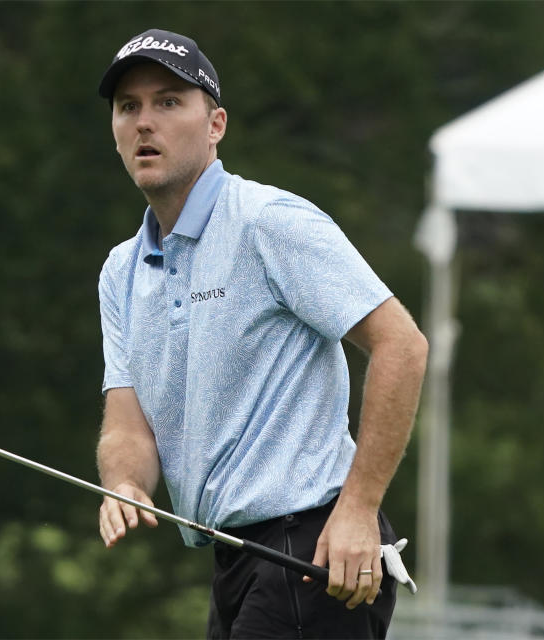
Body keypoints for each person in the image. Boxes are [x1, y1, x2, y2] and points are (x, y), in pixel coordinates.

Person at [94, 28, 428, 639]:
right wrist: (123, 482)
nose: (146, 122)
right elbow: (126, 424)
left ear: (215, 124)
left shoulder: (268, 223)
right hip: (236, 563)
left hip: (317, 552)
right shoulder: (121, 271)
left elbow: (401, 344)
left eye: (169, 102)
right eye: (129, 107)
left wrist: (359, 510)